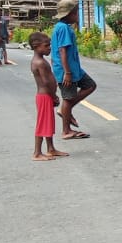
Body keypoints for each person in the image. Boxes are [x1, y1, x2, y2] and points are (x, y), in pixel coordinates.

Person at [50, 0, 96, 139]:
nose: (77, 16)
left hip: (75, 69)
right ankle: (66, 130)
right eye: (76, 13)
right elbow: (63, 50)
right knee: (68, 99)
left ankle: (64, 110)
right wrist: (67, 73)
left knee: (90, 85)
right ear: (69, 14)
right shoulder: (62, 28)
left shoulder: (64, 27)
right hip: (66, 71)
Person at [29, 32, 68, 162]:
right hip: (45, 95)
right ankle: (37, 153)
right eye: (46, 46)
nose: (49, 48)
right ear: (36, 46)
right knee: (42, 123)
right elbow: (46, 82)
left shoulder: (40, 60)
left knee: (48, 122)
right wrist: (54, 95)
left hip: (45, 96)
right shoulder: (40, 62)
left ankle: (51, 148)